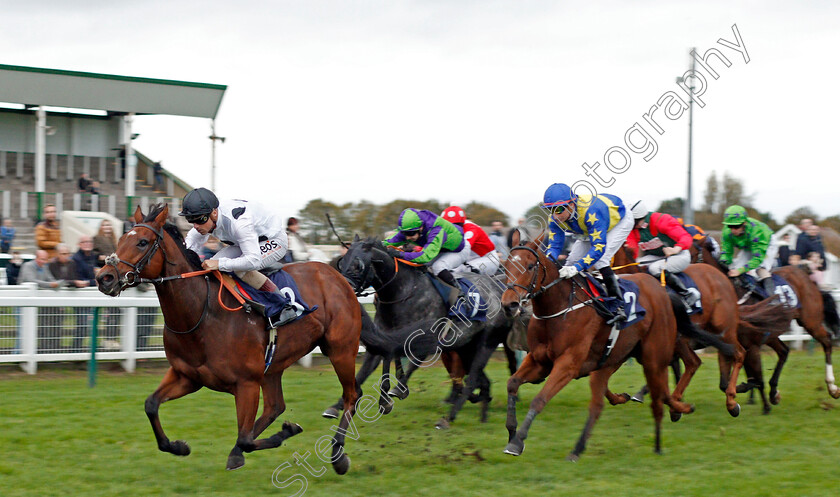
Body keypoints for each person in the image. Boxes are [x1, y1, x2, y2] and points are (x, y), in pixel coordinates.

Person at [179, 187, 297, 329]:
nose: (196, 226)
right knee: (210, 268)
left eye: (199, 220)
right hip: (245, 242)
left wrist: (219, 263)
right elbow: (189, 248)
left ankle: (283, 306)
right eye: (191, 221)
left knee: (240, 269)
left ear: (214, 213)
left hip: (273, 240)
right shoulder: (205, 219)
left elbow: (253, 260)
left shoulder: (240, 223)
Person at [542, 183, 634, 324]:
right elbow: (554, 246)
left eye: (559, 209)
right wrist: (545, 265)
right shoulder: (555, 218)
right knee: (570, 262)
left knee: (601, 260)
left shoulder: (592, 212)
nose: (555, 214)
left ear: (572, 205)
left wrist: (578, 268)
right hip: (588, 228)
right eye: (550, 210)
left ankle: (618, 305)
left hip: (619, 221)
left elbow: (598, 247)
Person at [383, 208, 471, 305]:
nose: (407, 238)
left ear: (421, 228)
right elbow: (387, 243)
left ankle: (461, 294)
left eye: (411, 234)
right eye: (404, 233)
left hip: (459, 250)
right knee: (417, 265)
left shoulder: (436, 230)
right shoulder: (410, 228)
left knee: (438, 267)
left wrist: (400, 254)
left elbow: (425, 256)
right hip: (440, 248)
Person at [625, 201, 697, 308]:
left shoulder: (661, 220)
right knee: (636, 266)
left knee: (655, 268)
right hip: (657, 257)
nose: (632, 226)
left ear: (642, 217)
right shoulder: (633, 229)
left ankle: (686, 294)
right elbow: (633, 249)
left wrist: (675, 250)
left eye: (634, 222)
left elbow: (685, 237)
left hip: (679, 255)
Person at [719, 205, 779, 296]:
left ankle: (773, 298)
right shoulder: (727, 232)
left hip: (767, 243)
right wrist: (724, 260)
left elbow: (757, 259)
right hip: (748, 245)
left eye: (736, 226)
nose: (733, 230)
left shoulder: (756, 232)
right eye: (730, 226)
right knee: (734, 268)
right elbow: (727, 252)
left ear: (744, 223)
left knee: (761, 269)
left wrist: (741, 270)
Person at [18, 250, 61, 351]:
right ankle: (18, 353)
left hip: (36, 301)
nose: (44, 262)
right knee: (23, 329)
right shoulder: (27, 266)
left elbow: (50, 279)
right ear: (36, 258)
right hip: (23, 301)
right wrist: (50, 285)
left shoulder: (44, 267)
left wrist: (57, 283)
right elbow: (31, 281)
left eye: (46, 259)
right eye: (42, 259)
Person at [441, 206, 499, 275]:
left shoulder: (470, 229)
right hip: (469, 260)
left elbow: (462, 250)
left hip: (488, 260)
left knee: (464, 270)